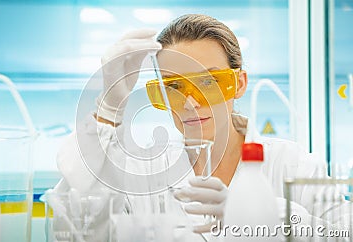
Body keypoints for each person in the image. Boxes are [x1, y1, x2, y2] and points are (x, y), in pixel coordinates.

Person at [53, 14, 349, 241]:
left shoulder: (294, 165)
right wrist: (108, 109)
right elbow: (75, 230)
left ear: (238, 84)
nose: (190, 103)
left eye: (208, 82)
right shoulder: (143, 173)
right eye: (175, 87)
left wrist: (259, 212)